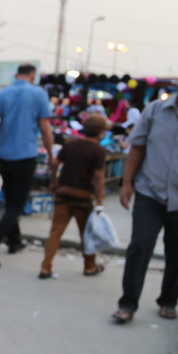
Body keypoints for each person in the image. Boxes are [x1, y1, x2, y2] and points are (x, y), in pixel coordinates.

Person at [111, 61, 178, 324]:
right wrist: (127, 184)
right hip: (150, 193)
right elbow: (137, 148)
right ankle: (127, 304)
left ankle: (168, 301)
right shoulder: (154, 110)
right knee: (139, 247)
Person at [0, 63, 54, 267]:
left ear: (16, 75)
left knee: (11, 200)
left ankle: (15, 241)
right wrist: (51, 154)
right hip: (25, 156)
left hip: (5, 155)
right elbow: (45, 127)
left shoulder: (2, 94)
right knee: (16, 204)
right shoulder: (38, 94)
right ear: (32, 75)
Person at [38, 114, 108, 279]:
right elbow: (98, 177)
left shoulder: (71, 145)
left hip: (63, 193)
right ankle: (89, 266)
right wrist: (100, 200)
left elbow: (54, 163)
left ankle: (45, 267)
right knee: (86, 233)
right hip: (83, 197)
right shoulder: (99, 151)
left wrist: (54, 182)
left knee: (55, 231)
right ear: (101, 132)